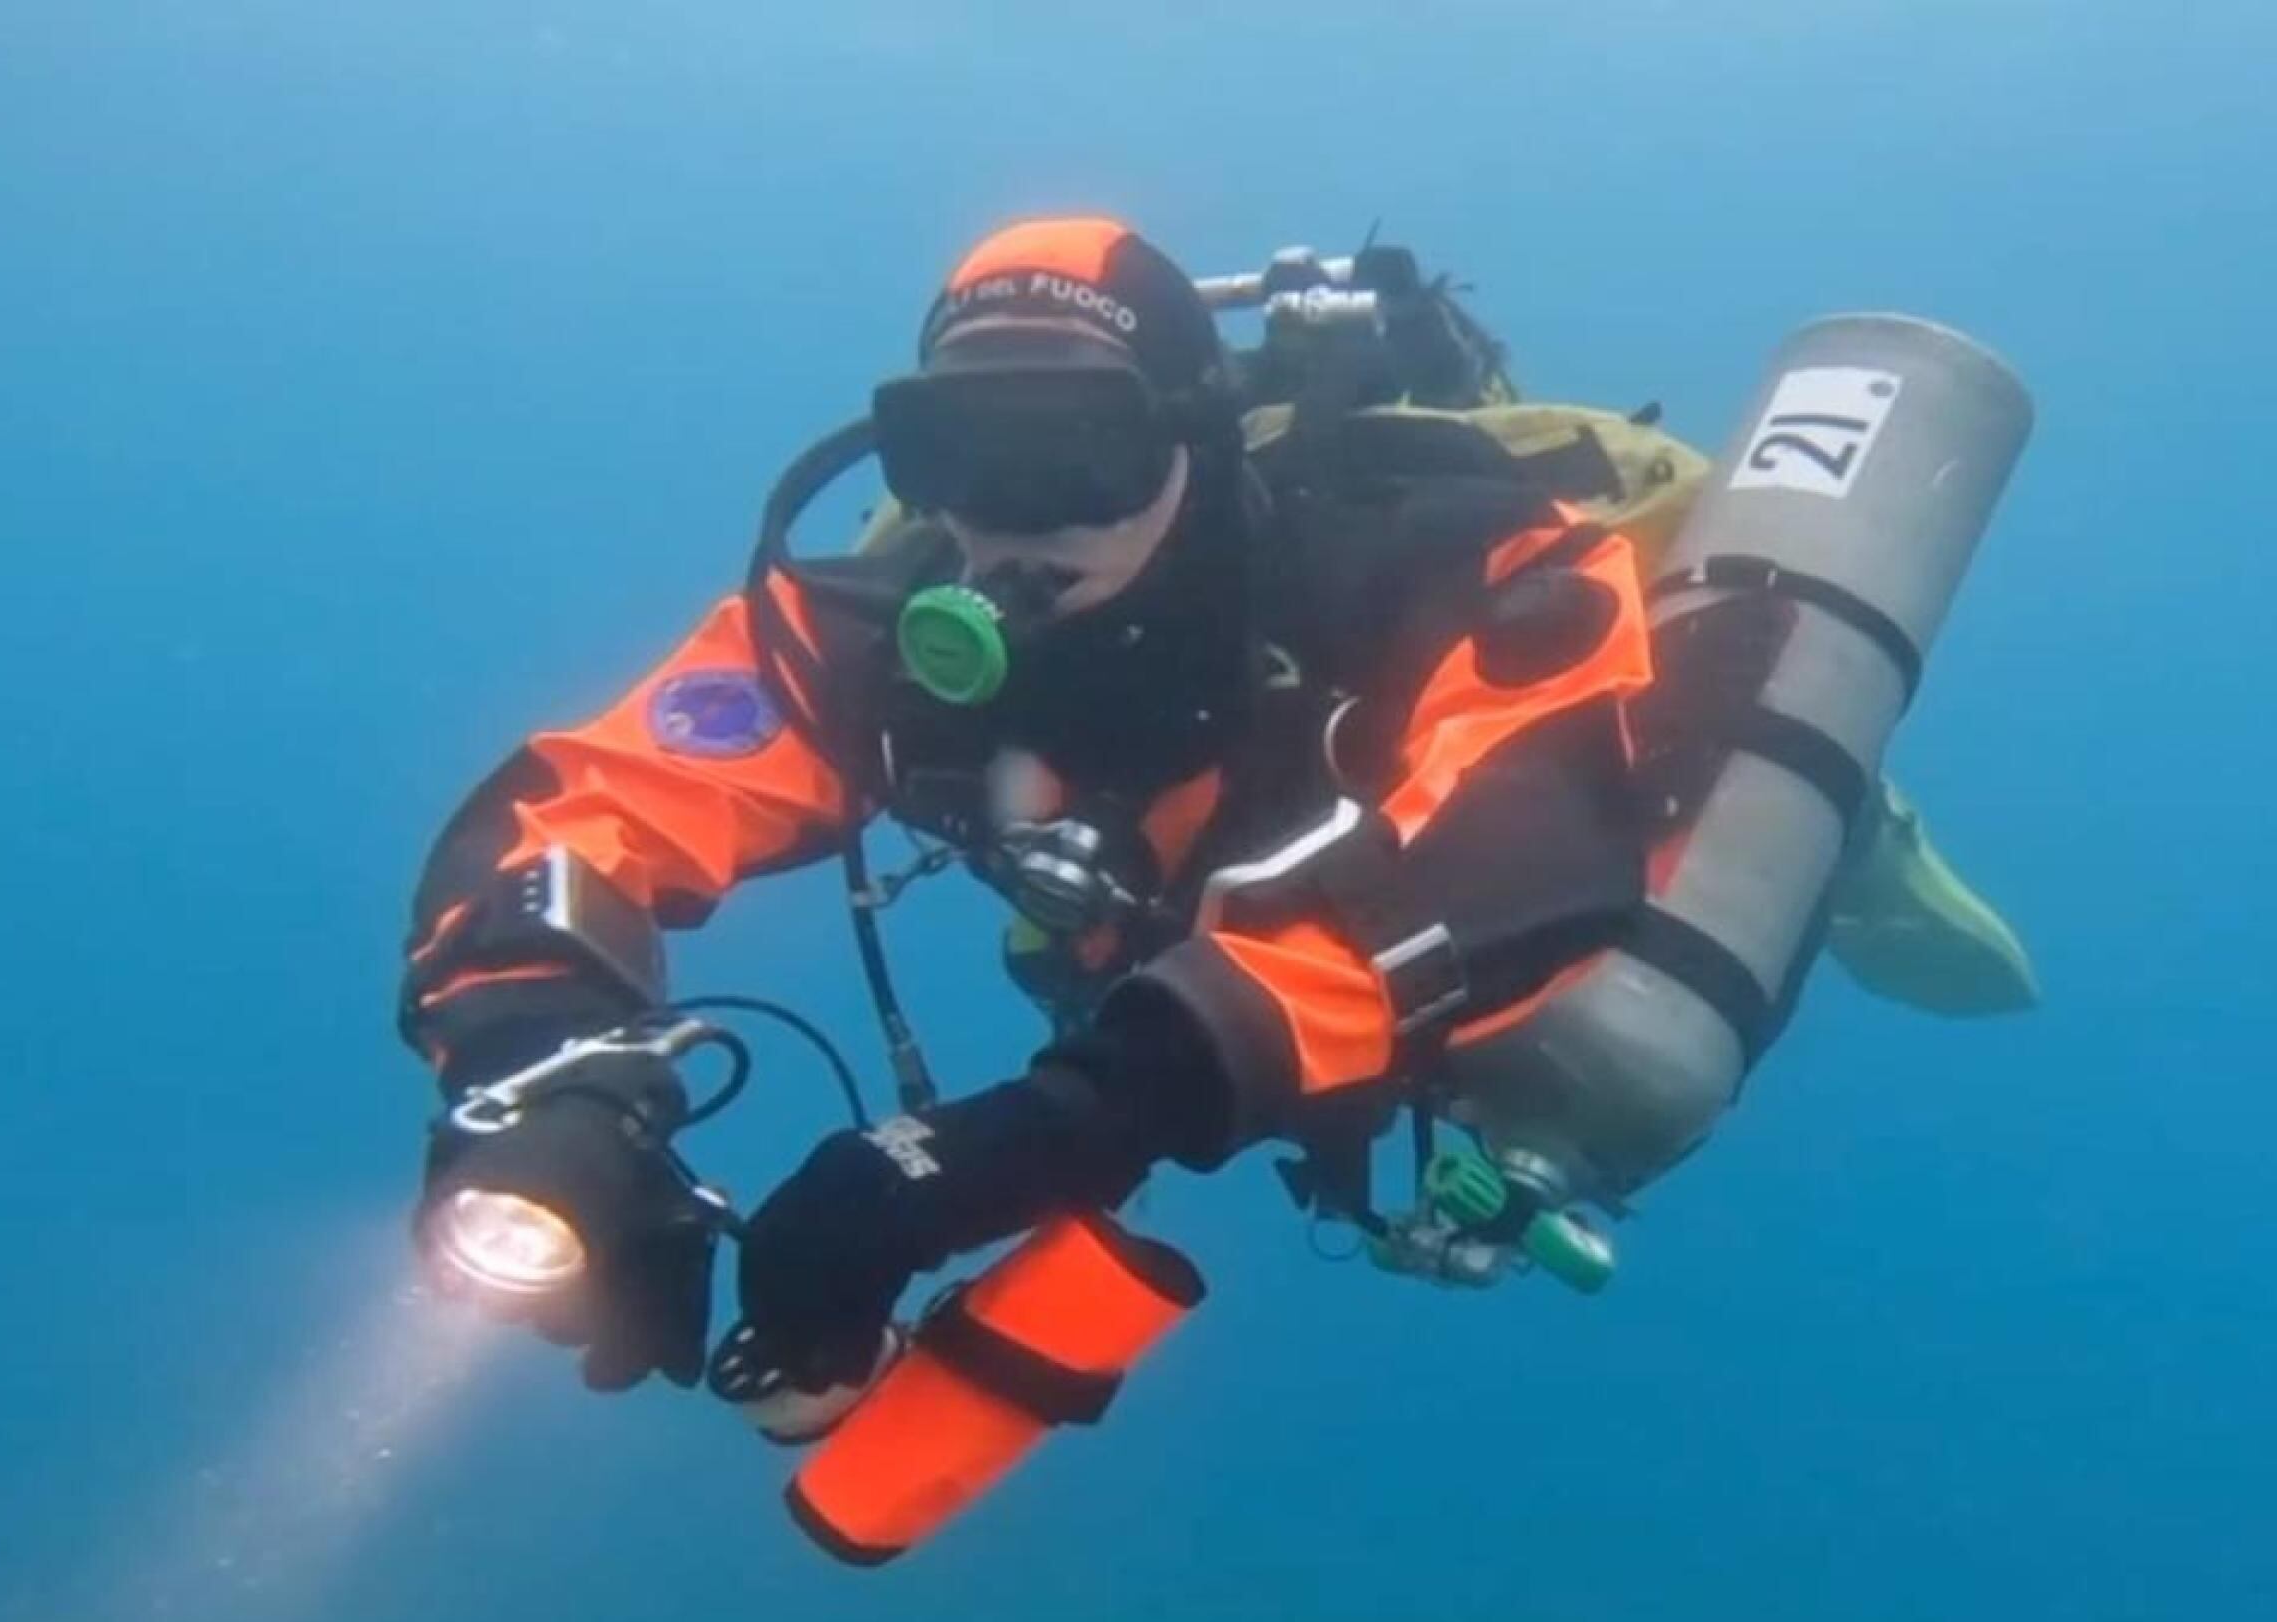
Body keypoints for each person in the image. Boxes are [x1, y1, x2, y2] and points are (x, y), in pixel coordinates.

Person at [402, 216, 1672, 1408]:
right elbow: (585, 805)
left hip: (1569, 794)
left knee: (1811, 853)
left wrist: (1057, 1127)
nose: (1013, 521)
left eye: (1080, 452)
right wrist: (543, 1076)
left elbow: (1521, 843)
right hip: (1181, 934)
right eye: (959, 454)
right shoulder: (867, 638)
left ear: (1192, 433)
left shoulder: (1439, 560)